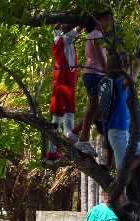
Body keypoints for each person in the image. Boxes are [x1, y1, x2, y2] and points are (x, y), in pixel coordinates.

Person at [72, 11, 113, 156]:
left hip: (94, 74)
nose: (109, 23)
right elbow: (102, 59)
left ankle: (75, 133)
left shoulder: (96, 35)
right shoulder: (97, 35)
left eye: (110, 20)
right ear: (98, 20)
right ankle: (82, 139)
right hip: (95, 73)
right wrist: (110, 73)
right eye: (106, 20)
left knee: (98, 109)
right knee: (94, 106)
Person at [46, 24, 82, 160]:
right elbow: (75, 31)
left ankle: (54, 151)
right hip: (63, 84)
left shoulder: (63, 41)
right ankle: (59, 150)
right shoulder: (63, 40)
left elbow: (63, 32)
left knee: (61, 117)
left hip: (66, 83)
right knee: (63, 117)